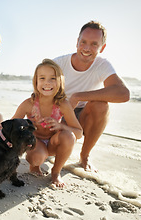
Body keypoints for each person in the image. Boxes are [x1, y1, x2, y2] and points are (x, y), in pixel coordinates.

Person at [53, 20, 130, 172]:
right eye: (83, 42)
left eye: (94, 44)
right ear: (77, 42)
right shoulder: (59, 64)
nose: (87, 48)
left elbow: (123, 93)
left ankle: (84, 156)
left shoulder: (102, 65)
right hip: (56, 113)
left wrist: (77, 96)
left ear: (102, 47)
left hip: (81, 116)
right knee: (43, 152)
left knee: (101, 105)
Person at [12, 59, 83, 188]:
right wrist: (24, 127)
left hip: (53, 143)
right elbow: (10, 126)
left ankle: (56, 172)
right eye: (42, 78)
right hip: (35, 142)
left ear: (60, 81)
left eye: (52, 78)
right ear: (36, 81)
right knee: (37, 158)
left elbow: (78, 133)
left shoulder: (63, 104)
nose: (47, 83)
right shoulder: (29, 103)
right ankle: (34, 166)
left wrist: (61, 126)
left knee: (69, 136)